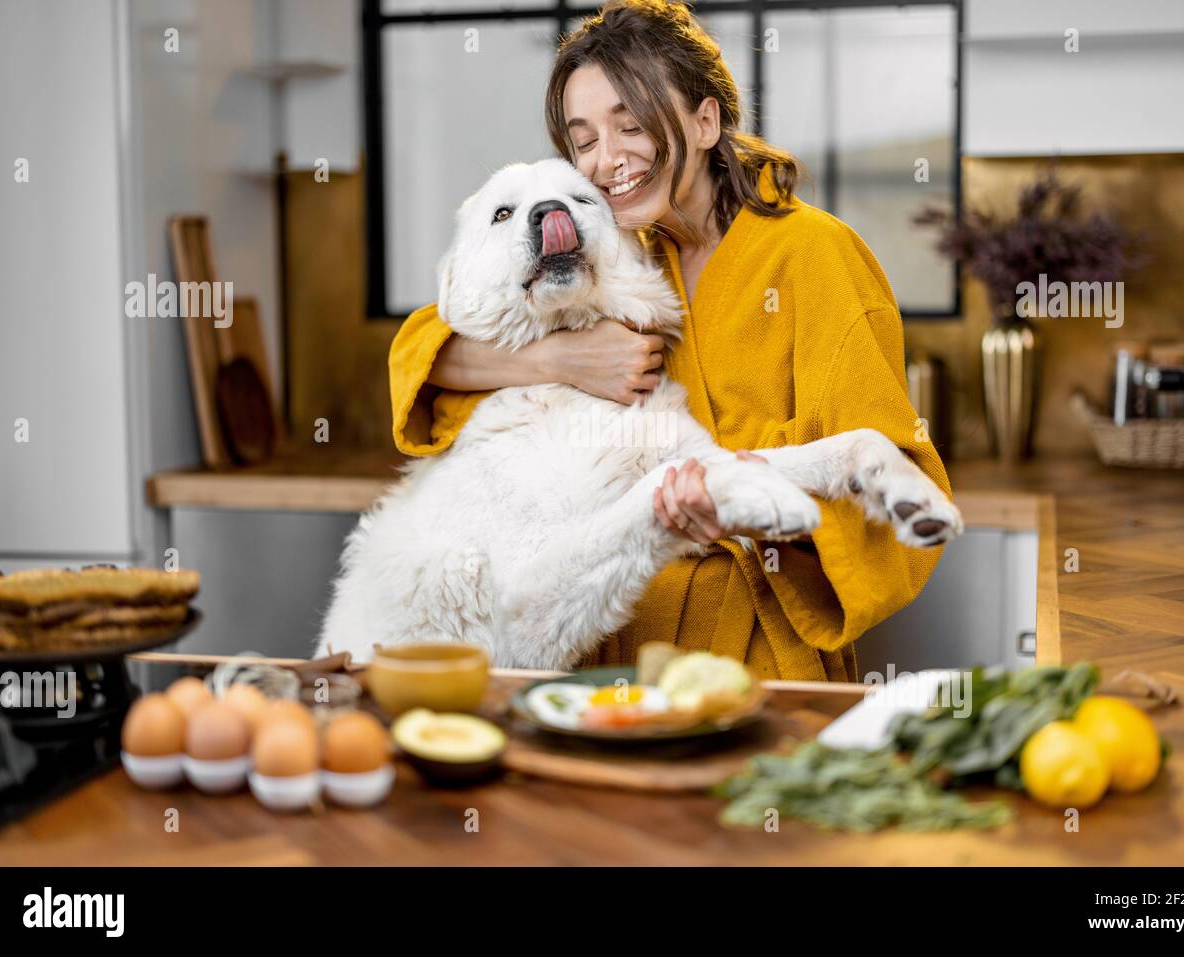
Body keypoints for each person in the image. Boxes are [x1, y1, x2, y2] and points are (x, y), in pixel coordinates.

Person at [386, 0, 951, 681]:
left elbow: (893, 476)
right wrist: (561, 358)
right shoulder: (616, 253)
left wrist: (739, 507)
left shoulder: (813, 253)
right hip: (600, 638)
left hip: (752, 648)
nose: (607, 161)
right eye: (584, 140)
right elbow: (428, 348)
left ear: (705, 122)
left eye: (632, 125)